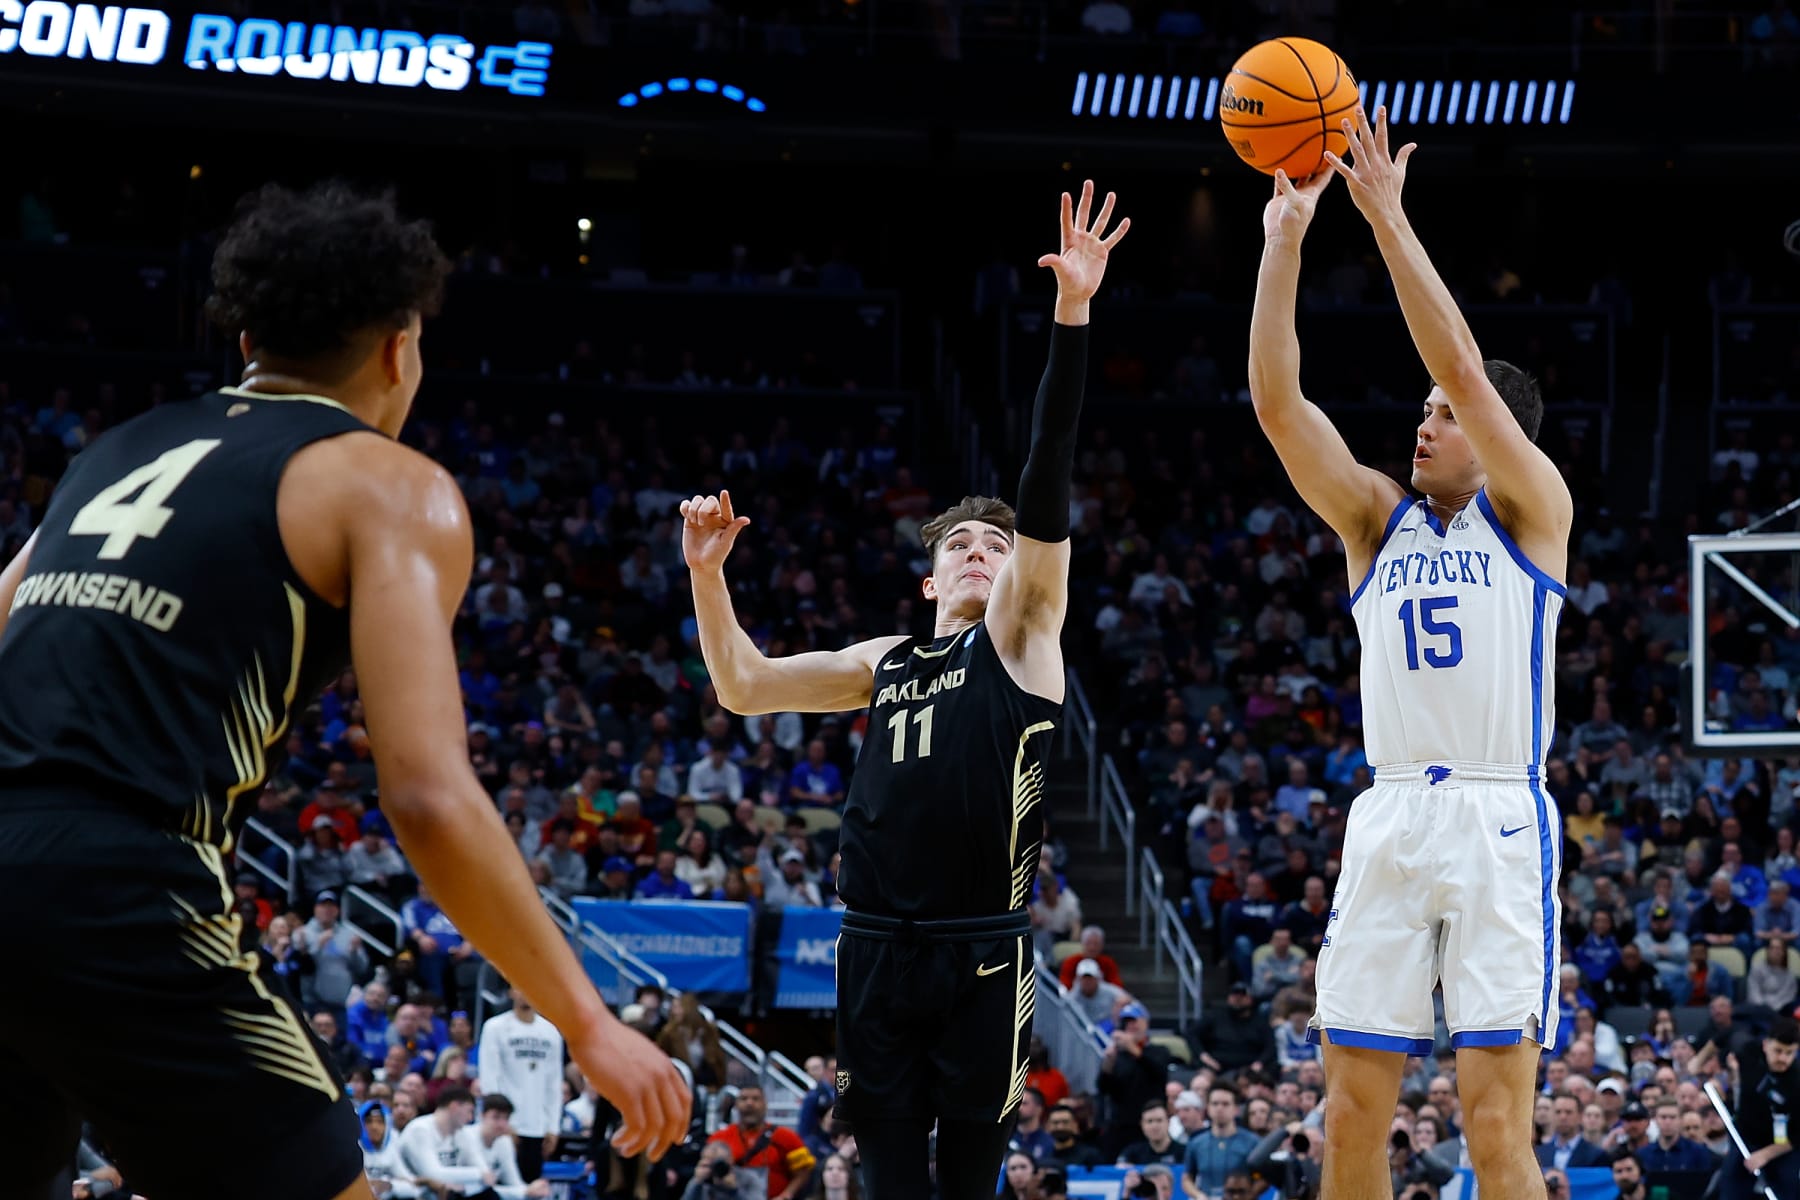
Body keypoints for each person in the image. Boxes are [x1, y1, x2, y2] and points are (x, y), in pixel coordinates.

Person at [0, 183, 688, 1199]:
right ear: (399, 348)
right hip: (122, 884)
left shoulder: (111, 454)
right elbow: (424, 793)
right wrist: (588, 1021)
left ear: (244, 337)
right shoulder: (388, 483)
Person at [684, 181, 1128, 1200]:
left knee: (969, 1180)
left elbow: (1049, 463)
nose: (982, 553)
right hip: (876, 942)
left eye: (997, 545)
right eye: (962, 546)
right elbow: (743, 686)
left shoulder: (1023, 636)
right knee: (885, 1180)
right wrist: (709, 574)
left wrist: (1072, 312)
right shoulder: (885, 660)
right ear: (930, 578)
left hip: (982, 943)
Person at [1251, 110, 1573, 1200]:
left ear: (1497, 440)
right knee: (1348, 1119)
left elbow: (1465, 367)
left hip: (1496, 819)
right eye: (1424, 412)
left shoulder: (1532, 513)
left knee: (1495, 1130)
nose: (1423, 423)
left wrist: (1386, 217)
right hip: (1389, 814)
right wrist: (1284, 239)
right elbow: (1277, 405)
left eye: (1444, 416)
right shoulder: (1373, 522)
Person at [477, 987, 564, 1182]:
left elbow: (554, 1083)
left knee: (530, 1187)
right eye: (520, 987)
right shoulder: (495, 1027)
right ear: (511, 992)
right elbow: (490, 1077)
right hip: (505, 1127)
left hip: (537, 1126)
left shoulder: (551, 1032)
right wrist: (500, 1122)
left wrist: (553, 1127)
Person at [1719, 1015, 1799, 1200]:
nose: (1783, 1059)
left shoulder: (1797, 1082)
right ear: (1765, 1045)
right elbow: (1727, 1035)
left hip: (1782, 1145)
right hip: (1745, 1136)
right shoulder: (1749, 1051)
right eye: (1778, 1051)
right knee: (1730, 1185)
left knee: (1789, 1184)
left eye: (1790, 1053)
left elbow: (1798, 1135)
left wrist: (1765, 1154)